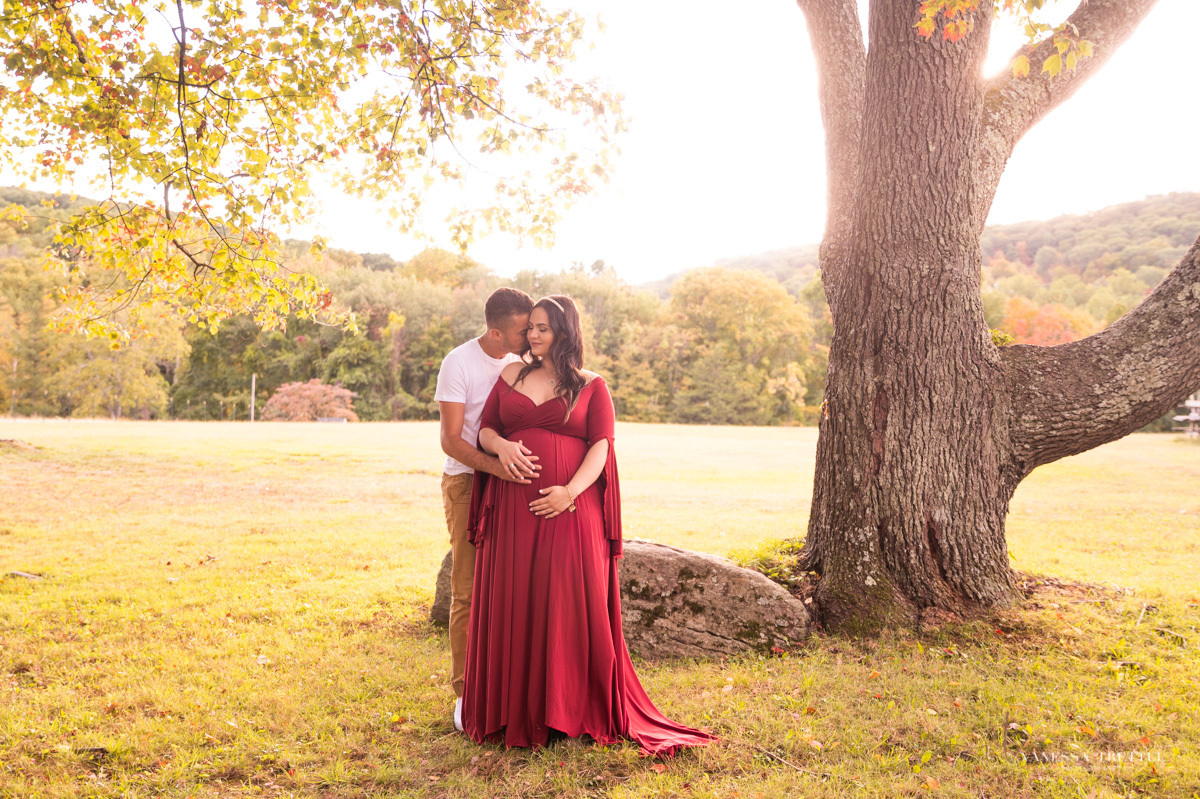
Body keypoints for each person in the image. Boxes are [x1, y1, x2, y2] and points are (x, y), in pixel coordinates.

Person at [462, 295, 715, 756]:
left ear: (564, 331)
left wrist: (569, 493)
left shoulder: (592, 386)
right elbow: (485, 428)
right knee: (516, 597)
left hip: (571, 512)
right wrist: (501, 447)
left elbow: (602, 446)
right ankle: (512, 710)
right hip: (513, 509)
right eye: (530, 328)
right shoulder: (511, 374)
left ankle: (566, 710)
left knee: (564, 601)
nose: (532, 335)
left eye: (542, 328)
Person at [435, 287, 538, 732]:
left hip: (511, 482)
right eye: (523, 330)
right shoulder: (458, 363)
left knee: (513, 589)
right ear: (497, 332)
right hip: (468, 480)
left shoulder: (527, 363)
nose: (531, 336)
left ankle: (510, 688)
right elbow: (452, 439)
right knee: (469, 590)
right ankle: (465, 693)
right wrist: (496, 466)